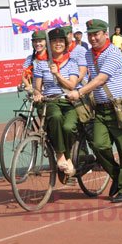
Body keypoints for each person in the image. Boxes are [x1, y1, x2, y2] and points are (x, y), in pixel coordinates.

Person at [66, 19, 122, 203]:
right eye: (90, 34)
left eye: (97, 34)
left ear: (106, 34)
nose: (93, 37)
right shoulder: (89, 55)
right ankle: (119, 176)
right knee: (98, 145)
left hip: (120, 106)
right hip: (101, 108)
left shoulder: (113, 53)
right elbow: (87, 76)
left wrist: (79, 92)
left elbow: (100, 80)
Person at [34, 28, 80, 178]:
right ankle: (61, 155)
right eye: (54, 41)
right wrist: (37, 94)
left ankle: (68, 156)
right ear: (49, 44)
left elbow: (72, 86)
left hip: (68, 101)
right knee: (55, 117)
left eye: (61, 41)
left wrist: (57, 74)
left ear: (66, 44)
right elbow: (37, 88)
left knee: (68, 127)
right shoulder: (41, 64)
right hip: (50, 101)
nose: (58, 44)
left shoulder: (72, 62)